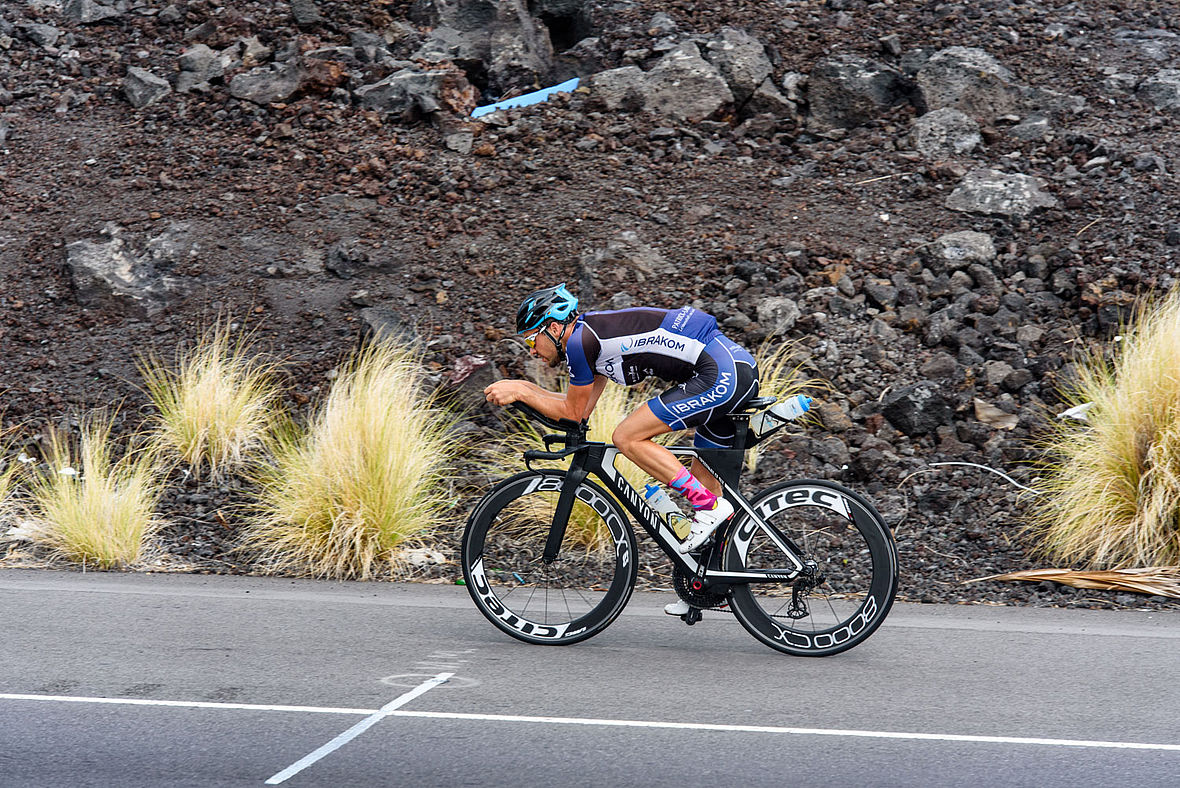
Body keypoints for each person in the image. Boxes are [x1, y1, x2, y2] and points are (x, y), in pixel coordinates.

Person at [484, 284, 760, 613]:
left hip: (719, 372)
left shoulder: (579, 341)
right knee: (706, 480)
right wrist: (525, 388)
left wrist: (522, 391)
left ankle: (709, 507)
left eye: (532, 339)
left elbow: (570, 413)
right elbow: (579, 410)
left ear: (554, 328)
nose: (532, 351)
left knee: (627, 437)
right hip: (731, 366)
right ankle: (710, 586)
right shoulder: (589, 340)